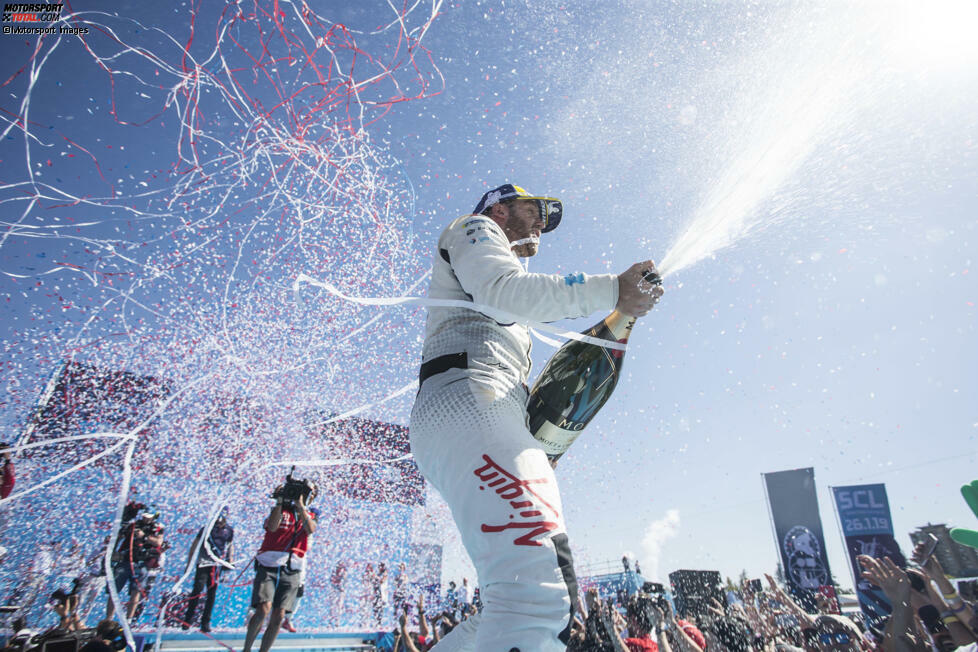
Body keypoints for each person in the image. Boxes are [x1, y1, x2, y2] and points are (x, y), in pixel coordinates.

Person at [409, 183, 663, 651]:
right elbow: (506, 293)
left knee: (512, 606)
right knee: (540, 604)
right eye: (536, 210)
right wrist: (614, 289)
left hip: (472, 411)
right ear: (500, 209)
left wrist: (534, 447)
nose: (542, 224)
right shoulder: (474, 227)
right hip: (469, 401)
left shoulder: (502, 289)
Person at [242, 482, 317, 652]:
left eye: (308, 492)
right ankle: (246, 648)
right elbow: (272, 527)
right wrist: (279, 502)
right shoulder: (280, 510)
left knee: (279, 614)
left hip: (293, 567)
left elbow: (310, 529)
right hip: (269, 564)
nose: (303, 494)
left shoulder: (310, 514)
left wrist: (300, 506)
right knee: (263, 608)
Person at [106, 504, 167, 622]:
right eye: (144, 516)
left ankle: (129, 619)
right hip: (125, 561)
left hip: (142, 563)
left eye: (148, 517)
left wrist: (144, 536)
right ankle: (108, 619)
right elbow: (119, 537)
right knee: (114, 590)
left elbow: (159, 542)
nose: (146, 519)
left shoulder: (157, 527)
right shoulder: (133, 525)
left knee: (136, 591)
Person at [182, 507, 235, 632]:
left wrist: (230, 560)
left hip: (216, 565)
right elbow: (195, 545)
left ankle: (205, 623)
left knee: (211, 593)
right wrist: (189, 564)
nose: (219, 521)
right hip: (203, 563)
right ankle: (187, 620)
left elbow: (230, 545)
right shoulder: (207, 528)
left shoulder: (229, 530)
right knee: (197, 590)